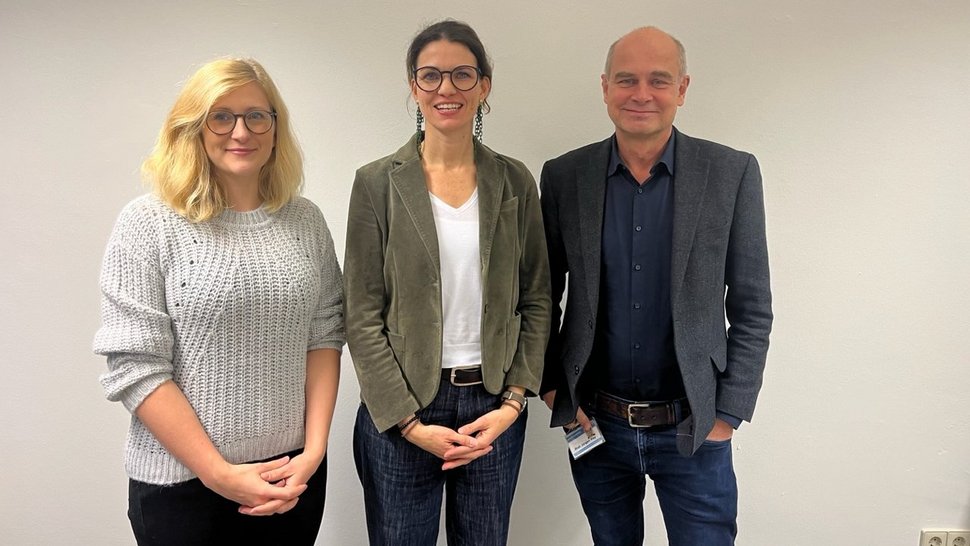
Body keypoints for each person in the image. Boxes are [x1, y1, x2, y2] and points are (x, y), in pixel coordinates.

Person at [93, 58, 344, 545]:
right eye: (221, 116)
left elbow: (325, 335)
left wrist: (313, 452)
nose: (240, 131)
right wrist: (218, 473)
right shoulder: (148, 223)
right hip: (182, 489)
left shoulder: (305, 221)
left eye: (256, 116)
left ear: (275, 127)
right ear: (194, 128)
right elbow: (137, 366)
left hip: (290, 481)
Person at [539, 26, 773, 545]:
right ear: (604, 88)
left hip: (694, 429)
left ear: (683, 89)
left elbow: (753, 307)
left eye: (658, 80)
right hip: (595, 426)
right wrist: (555, 391)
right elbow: (540, 297)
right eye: (626, 80)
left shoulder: (731, 174)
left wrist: (727, 414)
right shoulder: (563, 177)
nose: (641, 94)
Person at [344, 19, 550, 546]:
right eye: (431, 76)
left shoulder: (515, 181)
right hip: (403, 411)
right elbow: (362, 313)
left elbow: (537, 298)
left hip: (492, 408)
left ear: (484, 85)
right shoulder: (376, 183)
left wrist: (513, 403)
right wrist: (409, 424)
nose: (447, 89)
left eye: (463, 75)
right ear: (413, 86)